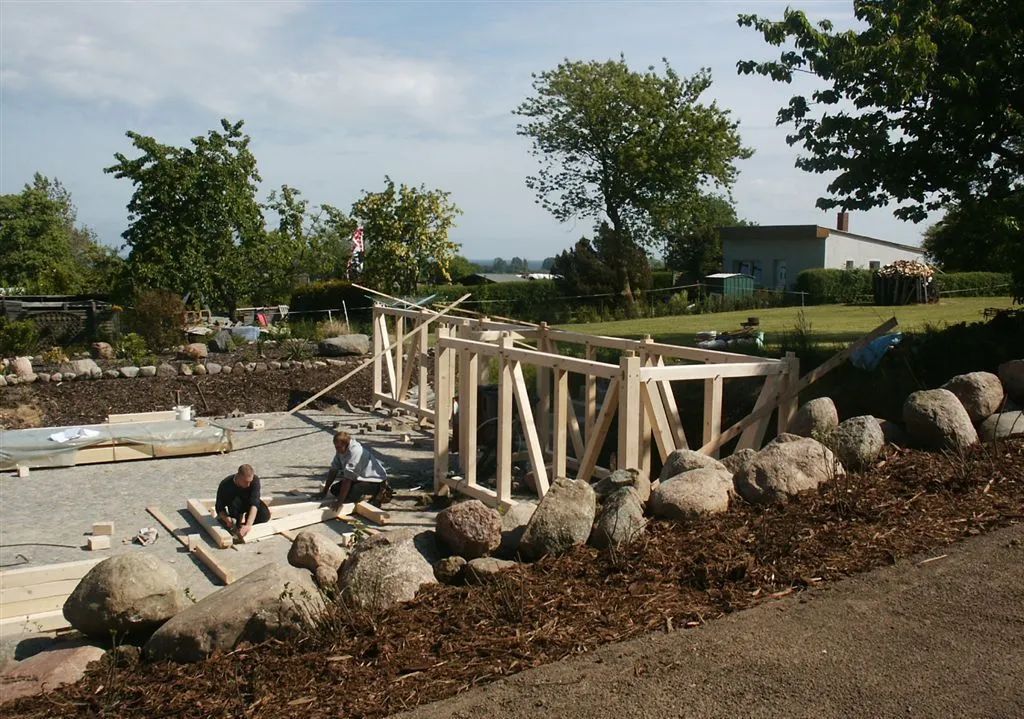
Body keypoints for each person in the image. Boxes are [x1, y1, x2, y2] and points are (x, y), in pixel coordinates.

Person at [320, 431, 391, 508]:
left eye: (338, 447)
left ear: (346, 444)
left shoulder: (355, 452)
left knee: (352, 494)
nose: (337, 450)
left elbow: (347, 479)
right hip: (359, 479)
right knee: (334, 489)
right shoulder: (340, 450)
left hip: (375, 481)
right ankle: (360, 496)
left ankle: (377, 494)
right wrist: (325, 491)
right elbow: (333, 470)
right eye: (336, 447)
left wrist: (340, 501)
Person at [215, 464, 270, 539]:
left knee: (265, 515)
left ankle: (246, 525)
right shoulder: (225, 484)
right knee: (234, 512)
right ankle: (236, 525)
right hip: (235, 505)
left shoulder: (255, 480)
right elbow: (219, 507)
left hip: (248, 502)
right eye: (245, 482)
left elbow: (255, 502)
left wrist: (248, 525)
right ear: (238, 477)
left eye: (250, 482)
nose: (248, 485)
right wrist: (226, 518)